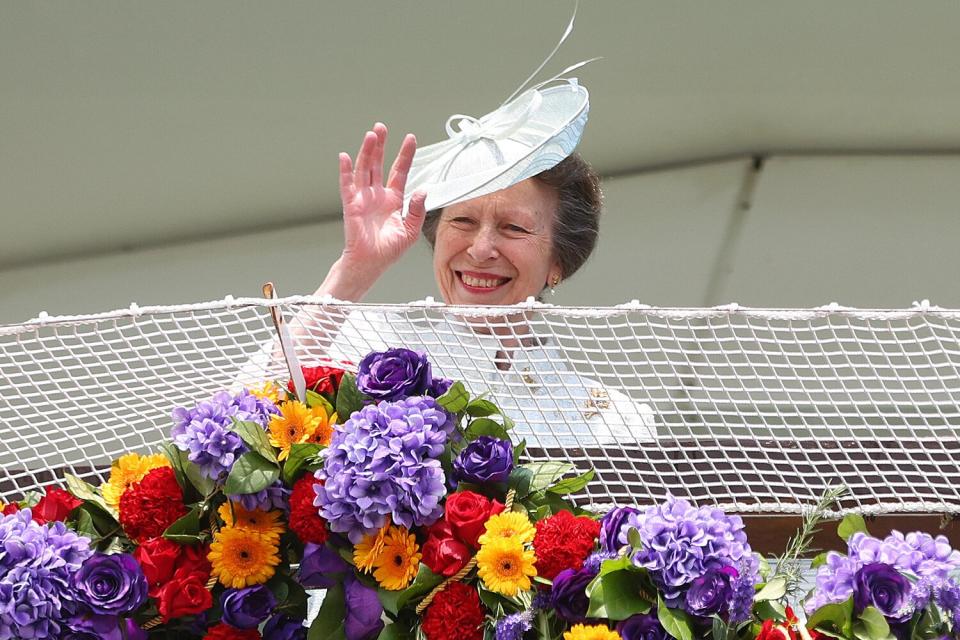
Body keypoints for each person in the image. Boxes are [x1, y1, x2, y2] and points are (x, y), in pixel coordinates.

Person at [287, 116, 656, 448]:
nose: (480, 250)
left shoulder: (613, 420)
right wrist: (355, 271)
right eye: (463, 221)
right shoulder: (368, 352)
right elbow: (247, 417)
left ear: (558, 261)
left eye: (514, 228)